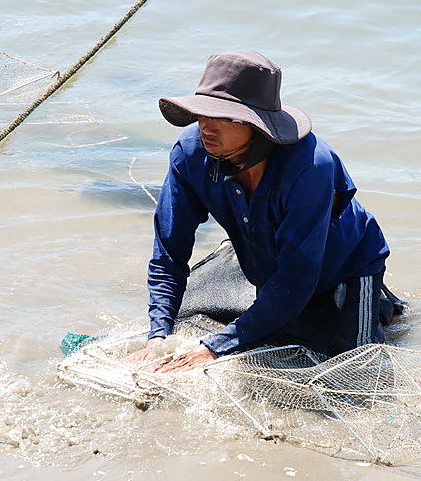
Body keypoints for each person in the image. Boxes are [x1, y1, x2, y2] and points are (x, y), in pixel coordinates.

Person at [128, 50, 392, 373]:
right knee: (241, 323)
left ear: (258, 125)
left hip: (348, 263)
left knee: (356, 370)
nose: (206, 127)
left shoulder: (310, 168)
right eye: (201, 114)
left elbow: (296, 281)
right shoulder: (190, 154)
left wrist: (214, 348)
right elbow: (169, 252)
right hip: (270, 262)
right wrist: (158, 335)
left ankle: (376, 300)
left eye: (222, 117)